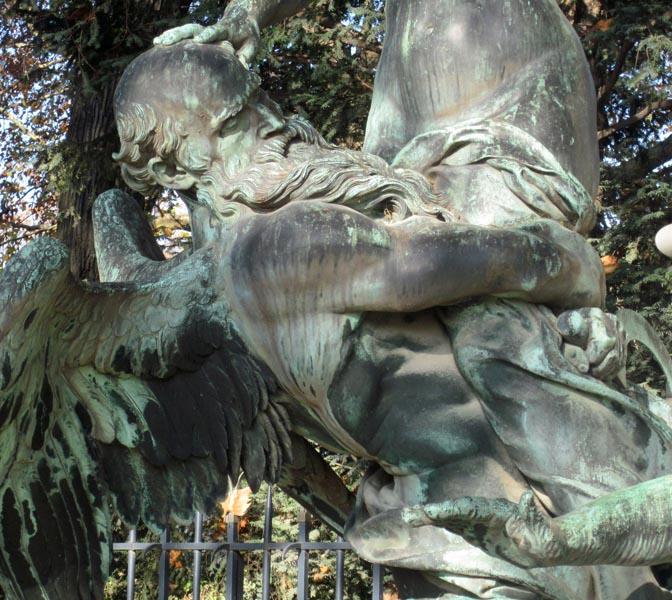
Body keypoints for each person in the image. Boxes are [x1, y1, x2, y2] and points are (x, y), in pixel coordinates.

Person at [109, 42, 672, 598]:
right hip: (534, 512)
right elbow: (520, 262)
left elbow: (293, 465)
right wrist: (574, 260)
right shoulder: (280, 242)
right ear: (169, 167)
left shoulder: (202, 308)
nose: (273, 122)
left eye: (258, 99)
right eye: (237, 120)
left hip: (429, 534)